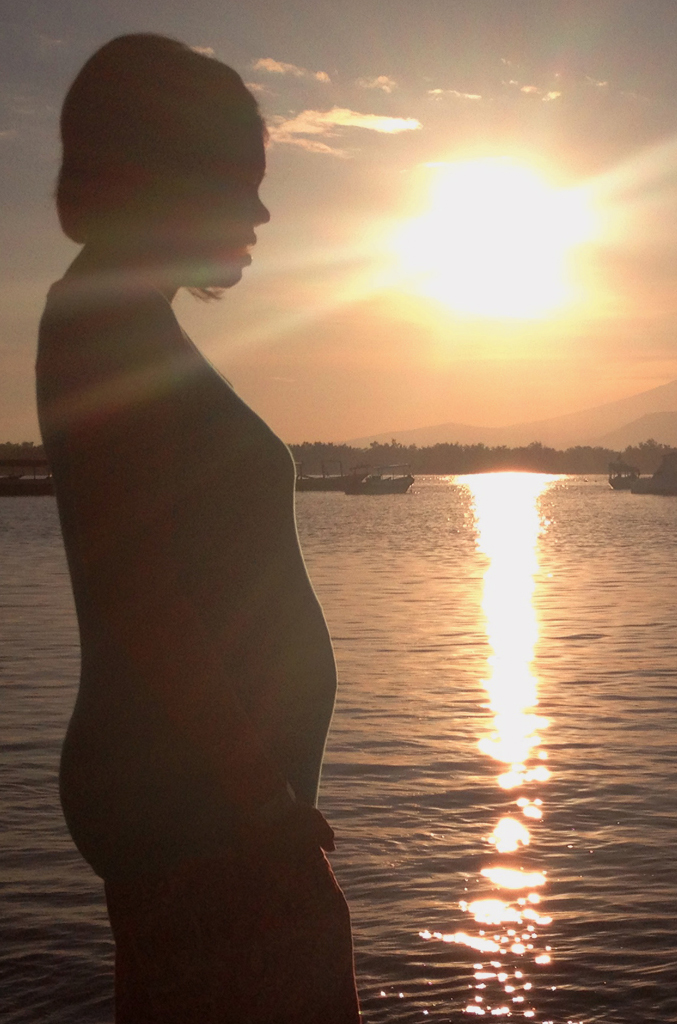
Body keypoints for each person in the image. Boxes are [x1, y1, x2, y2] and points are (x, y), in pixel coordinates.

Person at [36, 35, 361, 1023]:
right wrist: (261, 803)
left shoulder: (125, 319)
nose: (262, 210)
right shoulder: (103, 325)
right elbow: (143, 590)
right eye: (240, 180)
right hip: (199, 806)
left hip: (205, 801)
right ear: (163, 167)